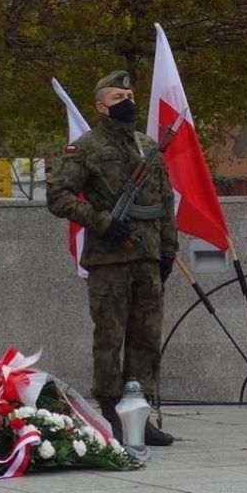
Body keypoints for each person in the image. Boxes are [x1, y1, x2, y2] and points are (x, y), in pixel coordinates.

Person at [46, 70, 177, 446]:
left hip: (148, 258)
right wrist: (101, 222)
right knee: (110, 338)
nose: (128, 102)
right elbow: (58, 196)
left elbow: (164, 203)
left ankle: (139, 411)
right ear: (101, 107)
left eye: (131, 95)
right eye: (119, 98)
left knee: (146, 338)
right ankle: (108, 414)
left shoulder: (147, 145)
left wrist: (168, 252)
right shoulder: (86, 147)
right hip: (110, 260)